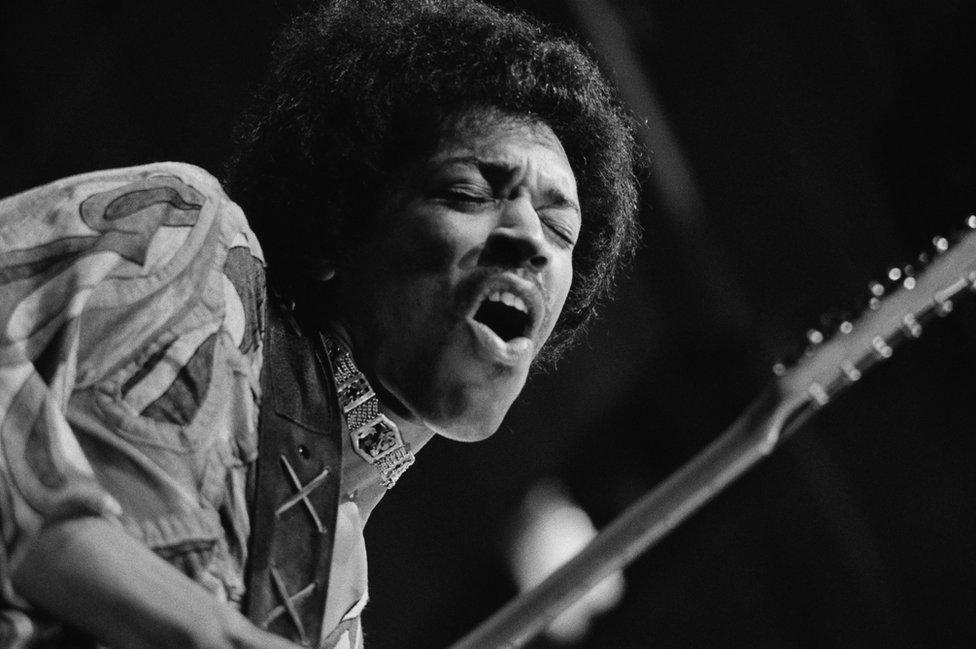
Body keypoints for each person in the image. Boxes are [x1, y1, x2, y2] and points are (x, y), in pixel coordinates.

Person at [0, 0, 640, 647]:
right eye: (470, 193)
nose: (531, 237)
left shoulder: (340, 604)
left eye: (561, 229)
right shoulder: (190, 237)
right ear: (341, 224)